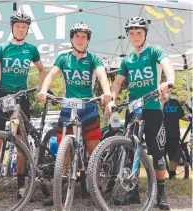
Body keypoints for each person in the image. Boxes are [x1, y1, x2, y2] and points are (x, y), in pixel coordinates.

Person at [37, 22, 112, 205]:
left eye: (84, 37)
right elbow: (52, 75)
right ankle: (60, 192)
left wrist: (107, 92)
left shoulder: (94, 58)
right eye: (77, 36)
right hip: (68, 107)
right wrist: (44, 90)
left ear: (87, 40)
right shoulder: (63, 57)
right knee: (64, 152)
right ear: (72, 39)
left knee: (94, 151)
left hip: (89, 108)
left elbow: (102, 75)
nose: (80, 39)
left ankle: (97, 190)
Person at [105, 17, 175, 210]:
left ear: (145, 34)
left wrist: (168, 82)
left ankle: (161, 196)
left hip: (152, 108)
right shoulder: (127, 59)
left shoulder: (154, 51)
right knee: (128, 150)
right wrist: (112, 99)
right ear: (128, 35)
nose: (135, 36)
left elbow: (168, 64)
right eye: (131, 33)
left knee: (157, 152)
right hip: (133, 108)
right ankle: (131, 194)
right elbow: (118, 83)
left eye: (139, 32)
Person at [0, 12, 47, 202]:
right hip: (3, 96)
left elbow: (42, 69)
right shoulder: (1, 48)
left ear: (28, 29)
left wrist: (44, 90)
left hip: (22, 98)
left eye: (24, 27)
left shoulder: (31, 49)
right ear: (11, 27)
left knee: (21, 143)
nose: (21, 29)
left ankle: (21, 186)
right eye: (18, 26)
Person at [163, 96, 191, 179]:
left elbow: (181, 115)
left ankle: (172, 175)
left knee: (174, 156)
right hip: (160, 135)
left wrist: (190, 119)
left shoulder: (175, 102)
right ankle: (158, 177)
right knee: (159, 156)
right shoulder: (156, 102)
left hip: (174, 134)